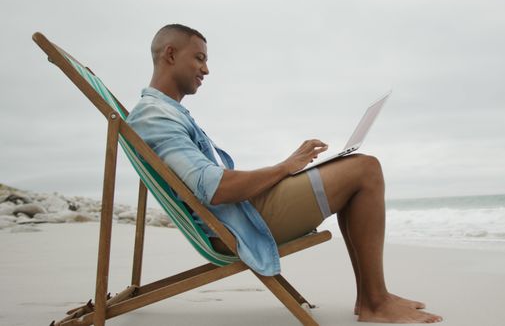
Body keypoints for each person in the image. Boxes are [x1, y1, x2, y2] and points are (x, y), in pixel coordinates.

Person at [127, 24, 443, 324]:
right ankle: (376, 302)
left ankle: (371, 298)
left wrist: (285, 168)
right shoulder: (156, 116)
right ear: (170, 54)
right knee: (365, 169)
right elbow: (215, 188)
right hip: (237, 224)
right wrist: (285, 167)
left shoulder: (165, 113)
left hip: (240, 211)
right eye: (199, 58)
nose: (206, 70)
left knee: (355, 165)